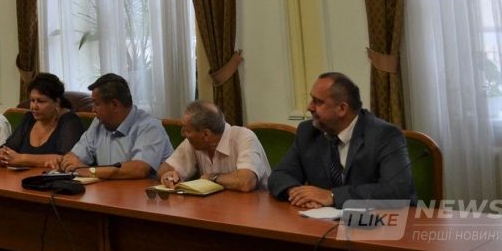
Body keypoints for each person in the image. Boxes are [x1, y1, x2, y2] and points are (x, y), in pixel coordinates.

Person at [269, 72, 415, 208]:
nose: (309, 107)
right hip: (322, 222)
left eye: (318, 102)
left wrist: (333, 196)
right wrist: (298, 194)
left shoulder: (385, 135)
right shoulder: (308, 131)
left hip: (379, 221)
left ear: (342, 109)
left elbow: (396, 190)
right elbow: (279, 175)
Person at [58, 73, 172, 179]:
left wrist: (89, 171)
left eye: (96, 104)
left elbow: (139, 169)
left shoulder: (150, 126)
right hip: (107, 191)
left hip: (143, 193)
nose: (93, 109)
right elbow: (74, 156)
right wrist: (70, 161)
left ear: (114, 105)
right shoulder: (99, 122)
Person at [158, 100, 270, 192]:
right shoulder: (195, 142)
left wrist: (211, 177)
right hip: (216, 207)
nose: (182, 134)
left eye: (187, 130)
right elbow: (164, 168)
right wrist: (168, 175)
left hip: (255, 208)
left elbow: (246, 182)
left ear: (206, 134)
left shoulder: (244, 137)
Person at [0, 72, 84, 168]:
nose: (34, 107)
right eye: (32, 100)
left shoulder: (69, 121)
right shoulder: (29, 118)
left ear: (57, 102)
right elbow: (9, 148)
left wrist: (22, 159)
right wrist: (3, 155)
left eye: (40, 101)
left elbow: (65, 159)